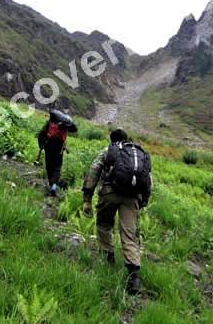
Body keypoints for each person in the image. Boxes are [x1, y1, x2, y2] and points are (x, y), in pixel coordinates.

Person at [82, 129, 152, 295]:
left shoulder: (109, 150)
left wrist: (87, 198)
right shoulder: (137, 153)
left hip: (109, 193)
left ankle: (108, 257)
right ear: (127, 139)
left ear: (111, 139)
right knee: (129, 233)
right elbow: (148, 179)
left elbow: (94, 170)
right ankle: (133, 276)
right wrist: (143, 201)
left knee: (104, 224)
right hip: (132, 197)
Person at [38, 110, 77, 196]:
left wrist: (41, 144)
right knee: (57, 167)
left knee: (49, 165)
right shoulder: (65, 126)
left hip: (49, 146)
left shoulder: (50, 123)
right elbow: (66, 136)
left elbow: (41, 133)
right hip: (59, 148)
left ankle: (51, 185)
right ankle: (54, 186)